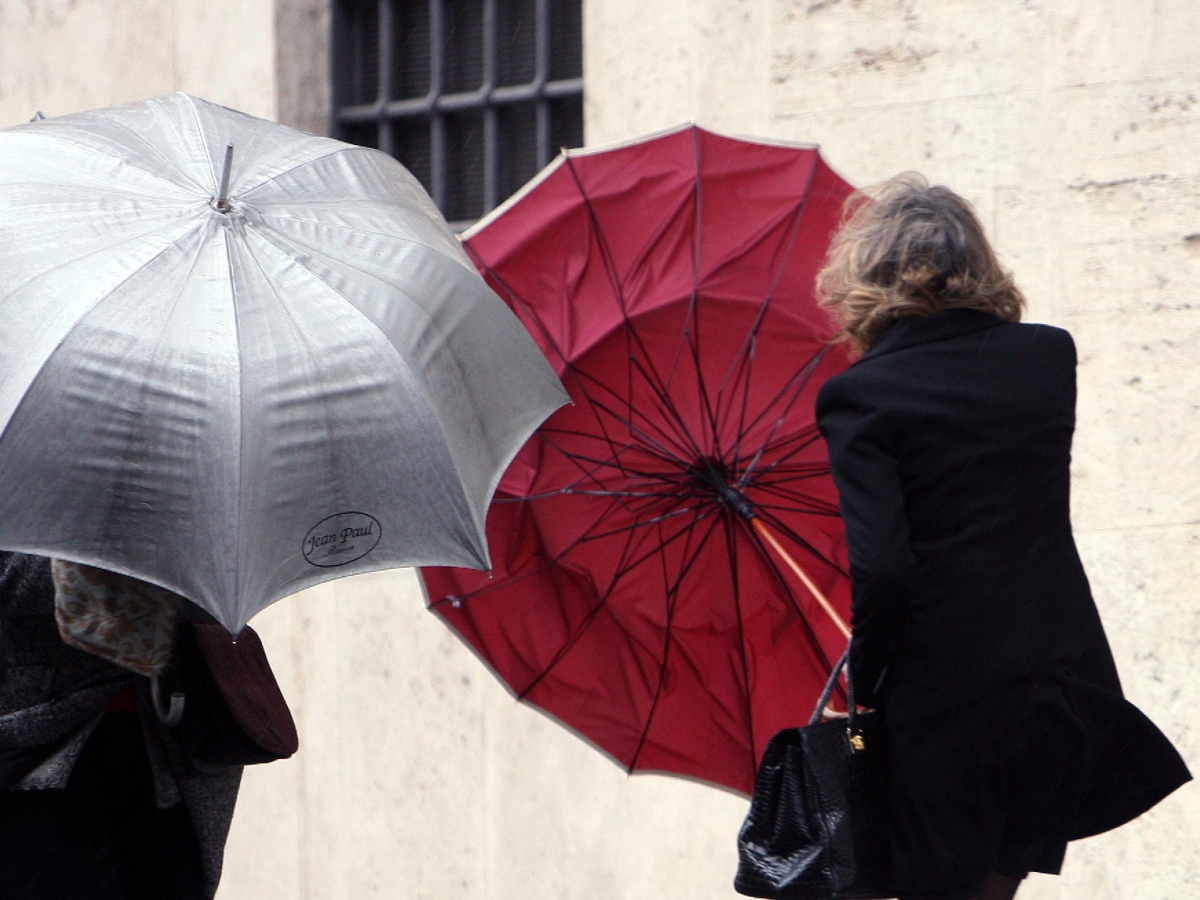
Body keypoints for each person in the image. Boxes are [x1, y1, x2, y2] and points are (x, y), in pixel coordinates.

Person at [813, 174, 1190, 900]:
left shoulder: (861, 394)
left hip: (944, 705)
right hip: (1053, 693)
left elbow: (884, 569)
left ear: (867, 274)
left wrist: (866, 676)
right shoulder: (1045, 361)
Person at [0, 551, 242, 900]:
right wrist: (105, 556)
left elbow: (224, 601)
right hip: (41, 753)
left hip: (168, 745)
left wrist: (165, 559)